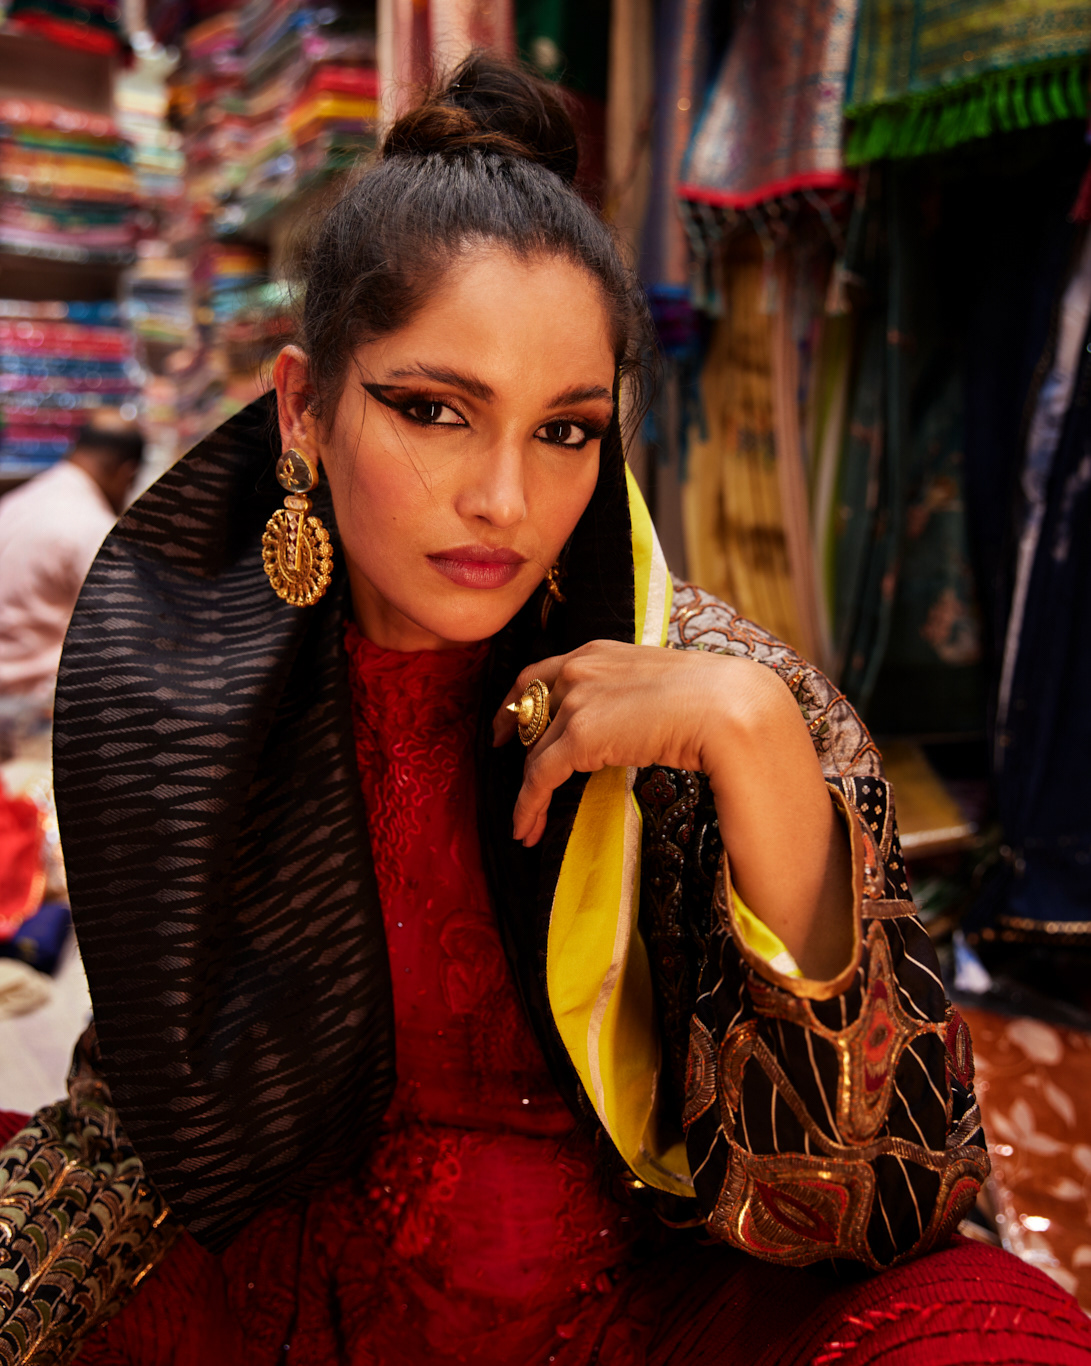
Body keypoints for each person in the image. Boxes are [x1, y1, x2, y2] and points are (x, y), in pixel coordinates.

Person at [1, 56, 1090, 1366]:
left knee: (995, 1334)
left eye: (565, 429)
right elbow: (146, 1116)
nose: (504, 501)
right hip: (289, 1295)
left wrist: (754, 747)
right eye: (433, 411)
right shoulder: (195, 681)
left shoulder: (712, 686)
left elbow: (873, 1208)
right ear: (301, 409)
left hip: (635, 1308)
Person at [0, 415, 142, 700]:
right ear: (127, 473)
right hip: (33, 704)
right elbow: (125, 636)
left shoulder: (19, 501)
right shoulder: (92, 527)